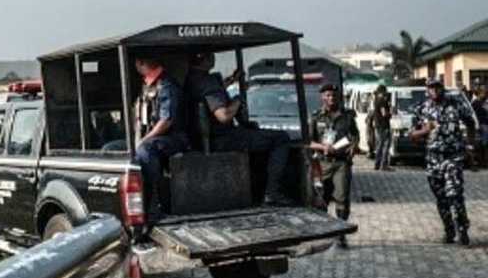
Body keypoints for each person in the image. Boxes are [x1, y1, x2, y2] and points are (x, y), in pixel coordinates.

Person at [184, 53, 292, 205]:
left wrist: (231, 80)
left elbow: (213, 92)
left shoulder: (191, 80)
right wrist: (237, 99)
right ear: (206, 59)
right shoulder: (207, 82)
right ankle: (272, 192)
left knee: (254, 133)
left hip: (199, 141)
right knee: (281, 138)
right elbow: (224, 116)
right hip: (222, 140)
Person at [410, 79, 478, 246]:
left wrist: (469, 145)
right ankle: (449, 229)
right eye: (431, 88)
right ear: (427, 90)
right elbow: (412, 135)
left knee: (454, 194)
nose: (434, 91)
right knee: (441, 197)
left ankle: (462, 229)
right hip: (433, 158)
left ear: (442, 88)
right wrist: (424, 131)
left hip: (453, 156)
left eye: (437, 87)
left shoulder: (455, 104)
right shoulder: (421, 108)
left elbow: (470, 123)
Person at [133, 56, 188, 224]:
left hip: (175, 139)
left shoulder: (166, 85)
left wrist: (143, 140)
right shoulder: (147, 85)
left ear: (140, 63)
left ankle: (153, 204)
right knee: (112, 147)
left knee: (146, 149)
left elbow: (167, 120)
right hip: (154, 138)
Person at [308, 83, 358, 248]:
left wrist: (353, 146)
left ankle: (340, 233)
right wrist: (323, 147)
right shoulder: (316, 117)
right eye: (328, 95)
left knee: (342, 198)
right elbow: (308, 142)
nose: (331, 98)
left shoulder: (347, 116)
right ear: (322, 97)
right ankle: (324, 231)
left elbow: (355, 135)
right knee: (321, 199)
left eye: (334, 95)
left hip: (341, 163)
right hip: (322, 163)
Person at [371, 85, 393, 171]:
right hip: (383, 126)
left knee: (379, 145)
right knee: (385, 145)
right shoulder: (382, 102)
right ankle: (384, 165)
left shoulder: (375, 101)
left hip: (377, 125)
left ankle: (377, 164)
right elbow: (384, 114)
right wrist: (390, 113)